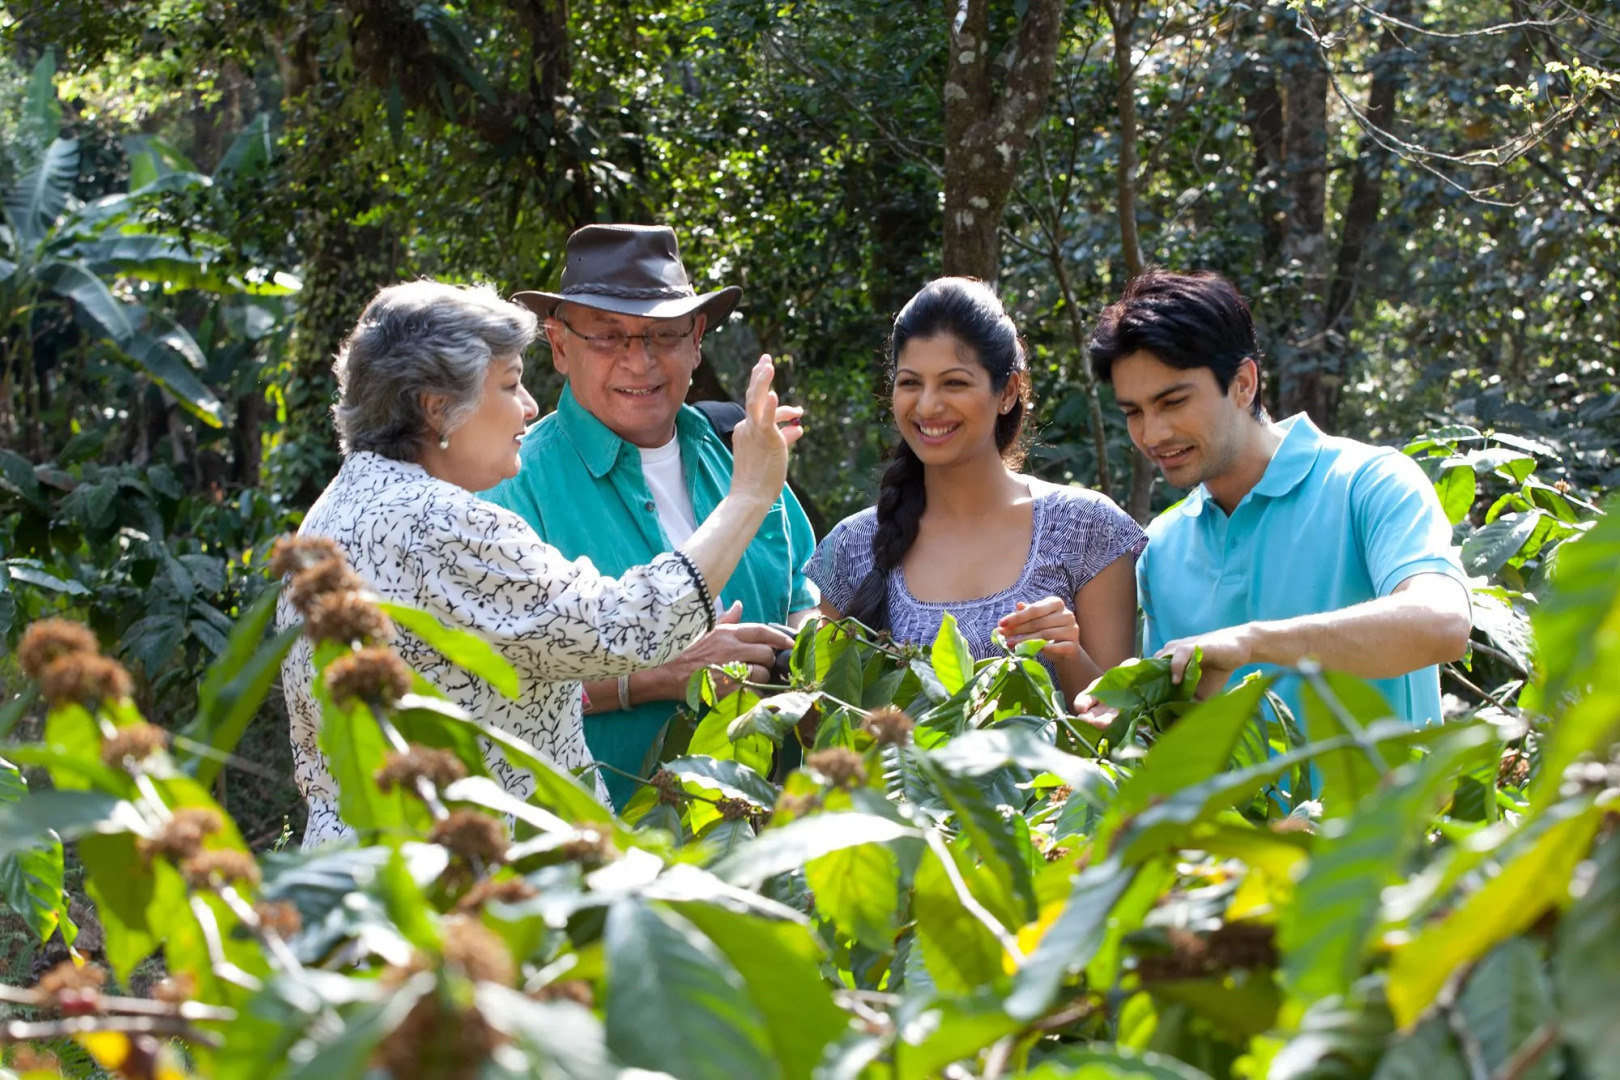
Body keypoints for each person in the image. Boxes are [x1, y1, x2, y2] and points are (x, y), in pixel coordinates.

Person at [277, 280, 802, 847]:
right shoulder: (442, 523)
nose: (529, 405)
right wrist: (748, 493)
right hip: (469, 883)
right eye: (509, 384)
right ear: (437, 409)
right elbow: (628, 626)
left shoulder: (333, 511)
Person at [484, 225, 819, 806]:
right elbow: (488, 684)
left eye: (662, 334)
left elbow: (801, 598)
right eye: (608, 337)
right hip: (604, 850)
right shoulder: (512, 486)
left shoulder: (740, 456)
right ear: (559, 346)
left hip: (770, 845)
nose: (639, 361)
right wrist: (656, 677)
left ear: (696, 340)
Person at [1083, 268, 1471, 723]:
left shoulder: (1370, 482)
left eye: (1173, 402)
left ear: (1244, 384)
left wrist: (1250, 643)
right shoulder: (1162, 547)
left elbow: (1443, 624)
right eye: (1134, 412)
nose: (1153, 433)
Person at [808, 277, 1145, 702]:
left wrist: (1068, 653)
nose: (928, 406)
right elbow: (823, 730)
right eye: (911, 383)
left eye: (954, 383)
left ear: (1006, 392)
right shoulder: (852, 546)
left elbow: (1119, 732)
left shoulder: (1087, 528)